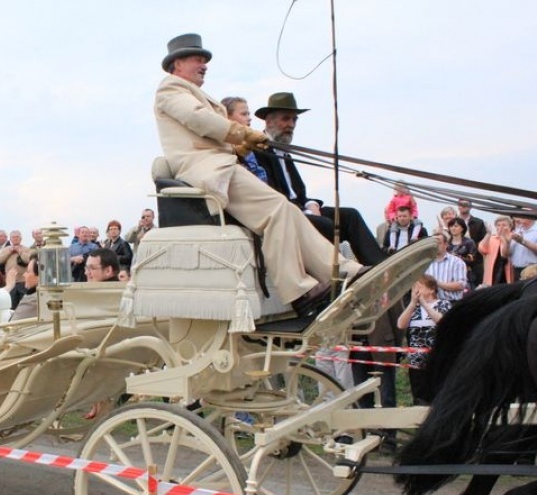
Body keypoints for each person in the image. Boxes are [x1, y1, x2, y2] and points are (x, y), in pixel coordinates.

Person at [154, 34, 366, 314]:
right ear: (177, 64)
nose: (204, 63)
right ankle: (299, 290)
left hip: (220, 164)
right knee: (276, 210)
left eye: (205, 59)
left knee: (288, 210)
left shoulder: (192, 92)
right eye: (197, 58)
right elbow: (200, 120)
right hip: (208, 169)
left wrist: (241, 146)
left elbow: (209, 133)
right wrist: (243, 133)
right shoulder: (170, 89)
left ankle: (343, 270)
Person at [252, 92, 386, 267]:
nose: (291, 125)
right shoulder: (259, 151)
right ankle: (335, 275)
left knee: (349, 216)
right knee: (326, 224)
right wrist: (304, 210)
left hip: (301, 210)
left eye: (294, 120)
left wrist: (310, 204)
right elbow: (273, 194)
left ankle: (380, 266)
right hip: (283, 215)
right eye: (286, 119)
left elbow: (298, 193)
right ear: (269, 121)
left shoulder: (285, 152)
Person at [397, 274, 451, 405]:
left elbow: (442, 321)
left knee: (438, 393)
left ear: (431, 289)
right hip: (416, 360)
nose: (415, 290)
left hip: (437, 359)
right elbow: (400, 324)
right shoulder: (413, 308)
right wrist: (412, 303)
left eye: (419, 286)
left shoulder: (443, 304)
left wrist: (425, 304)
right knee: (419, 395)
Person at [221, 96, 267, 182]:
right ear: (226, 116)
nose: (249, 118)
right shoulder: (219, 147)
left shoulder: (251, 149)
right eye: (244, 114)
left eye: (248, 114)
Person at [424, 232, 467, 303]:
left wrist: (437, 283)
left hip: (452, 303)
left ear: (446, 244)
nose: (436, 246)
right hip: (430, 304)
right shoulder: (426, 263)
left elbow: (461, 285)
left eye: (439, 243)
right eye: (434, 244)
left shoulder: (457, 262)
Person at [0, 230, 32, 308]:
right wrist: (9, 252)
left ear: (21, 238)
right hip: (11, 282)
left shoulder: (26, 249)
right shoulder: (5, 249)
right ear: (10, 239)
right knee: (12, 305)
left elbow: (28, 260)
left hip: (23, 281)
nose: (15, 239)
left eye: (17, 237)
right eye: (13, 237)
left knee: (24, 305)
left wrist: (19, 251)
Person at [456, 198, 486, 284]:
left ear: (471, 206)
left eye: (466, 204)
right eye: (461, 204)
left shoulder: (479, 222)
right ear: (458, 206)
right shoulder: (453, 222)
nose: (464, 206)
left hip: (475, 261)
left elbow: (482, 242)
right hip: (456, 260)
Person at [478, 215, 514, 286]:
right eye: (498, 225)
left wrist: (504, 240)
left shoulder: (513, 238)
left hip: (506, 272)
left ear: (510, 227)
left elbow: (505, 254)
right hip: (493, 272)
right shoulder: (492, 238)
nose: (501, 227)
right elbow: (482, 249)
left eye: (504, 225)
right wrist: (488, 234)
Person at [502, 214, 537, 281]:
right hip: (516, 270)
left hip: (533, 270)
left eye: (522, 215)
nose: (518, 218)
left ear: (531, 217)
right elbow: (504, 255)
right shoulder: (515, 231)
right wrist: (507, 242)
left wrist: (522, 241)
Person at [445, 217, 477, 288]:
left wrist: (458, 257)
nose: (453, 228)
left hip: (466, 275)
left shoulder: (469, 242)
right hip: (448, 275)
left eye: (456, 226)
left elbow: (472, 260)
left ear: (462, 228)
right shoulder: (446, 243)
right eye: (451, 226)